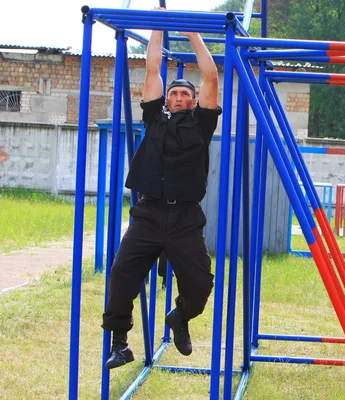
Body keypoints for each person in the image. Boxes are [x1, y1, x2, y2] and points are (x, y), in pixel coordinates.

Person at [102, 10, 221, 370]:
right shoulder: (154, 117)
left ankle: (180, 317)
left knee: (200, 286)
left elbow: (212, 75)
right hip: (149, 213)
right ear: (167, 100)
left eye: (187, 93)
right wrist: (158, 26)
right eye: (176, 93)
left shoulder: (202, 124)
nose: (181, 96)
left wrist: (191, 32)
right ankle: (120, 343)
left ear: (194, 100)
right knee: (122, 273)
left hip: (185, 218)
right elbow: (153, 70)